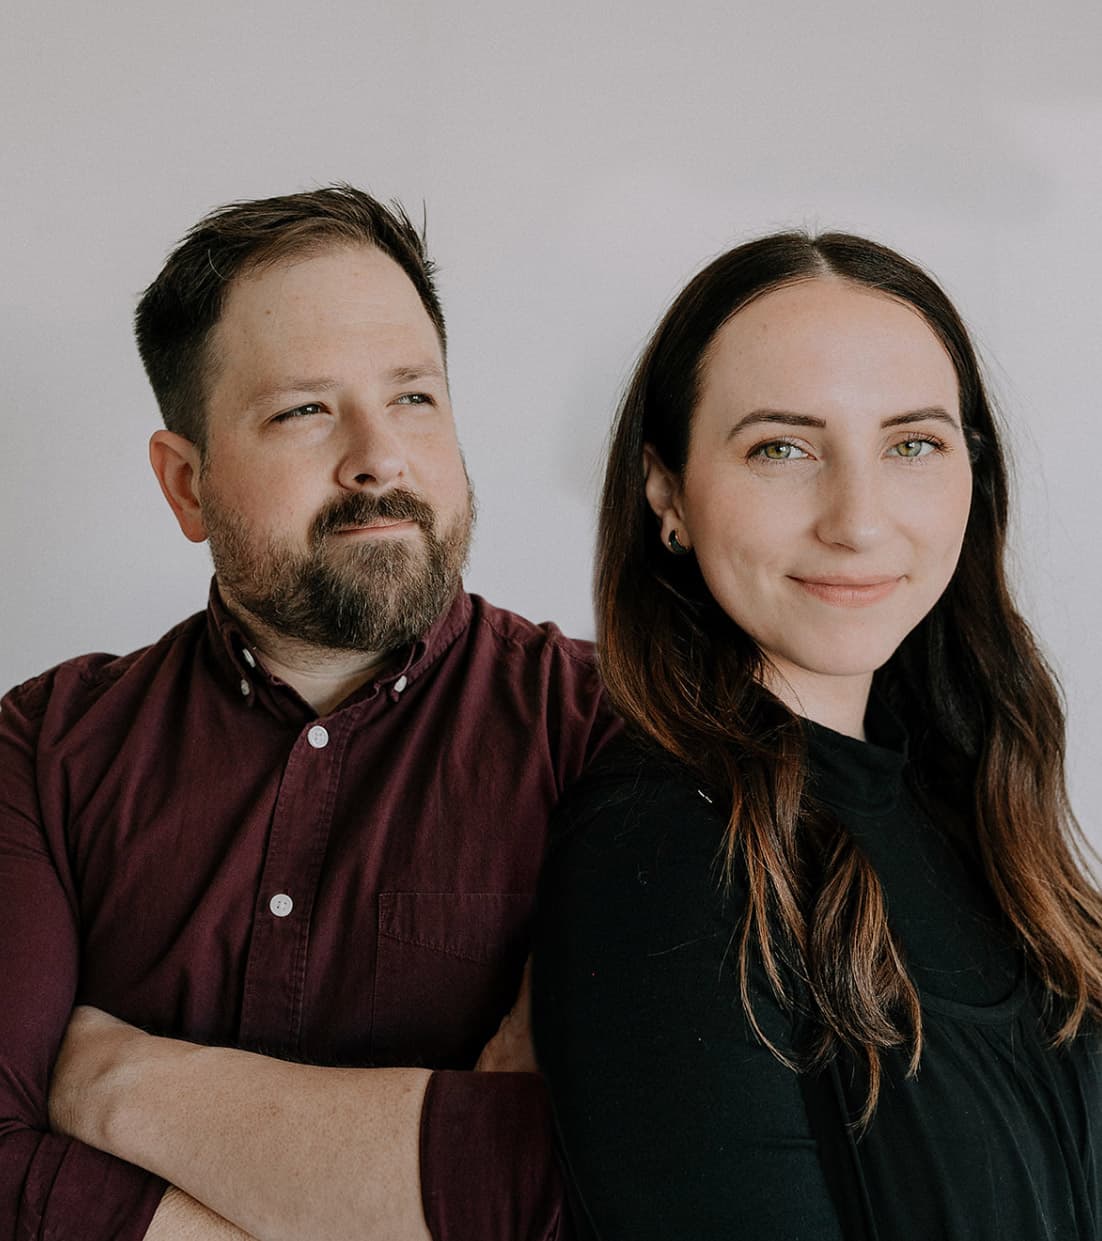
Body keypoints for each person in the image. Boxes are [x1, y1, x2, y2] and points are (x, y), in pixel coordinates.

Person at [0, 185, 620, 1241]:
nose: (380, 457)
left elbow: (629, 1175)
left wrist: (117, 1086)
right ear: (185, 483)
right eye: (305, 410)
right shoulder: (44, 747)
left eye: (415, 397)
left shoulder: (612, 732)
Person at [532, 232, 1102, 1239]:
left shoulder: (984, 809)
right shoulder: (661, 847)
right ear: (666, 493)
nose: (858, 518)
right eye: (782, 448)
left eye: (911, 442)